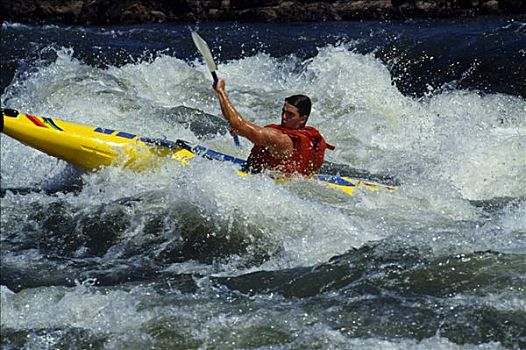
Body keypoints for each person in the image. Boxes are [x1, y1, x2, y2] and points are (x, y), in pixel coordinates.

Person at [214, 79, 334, 177]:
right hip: (291, 183)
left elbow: (238, 124)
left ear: (303, 119)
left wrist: (221, 92)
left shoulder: (281, 139)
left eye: (290, 114)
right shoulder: (308, 136)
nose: (283, 117)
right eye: (283, 111)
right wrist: (242, 132)